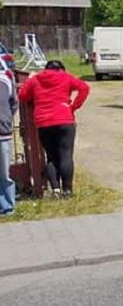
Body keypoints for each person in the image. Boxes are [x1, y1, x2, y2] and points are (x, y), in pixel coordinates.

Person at [17, 60, 90, 198]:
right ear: (61, 69)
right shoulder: (65, 77)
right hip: (64, 119)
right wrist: (74, 106)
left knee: (51, 156)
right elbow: (84, 88)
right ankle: (67, 190)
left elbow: (23, 96)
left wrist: (30, 80)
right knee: (66, 155)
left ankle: (55, 188)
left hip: (44, 122)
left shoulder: (36, 79)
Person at [0, 69, 17, 214]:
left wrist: (6, 119)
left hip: (3, 134)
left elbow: (14, 103)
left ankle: (7, 206)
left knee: (4, 173)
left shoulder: (5, 79)